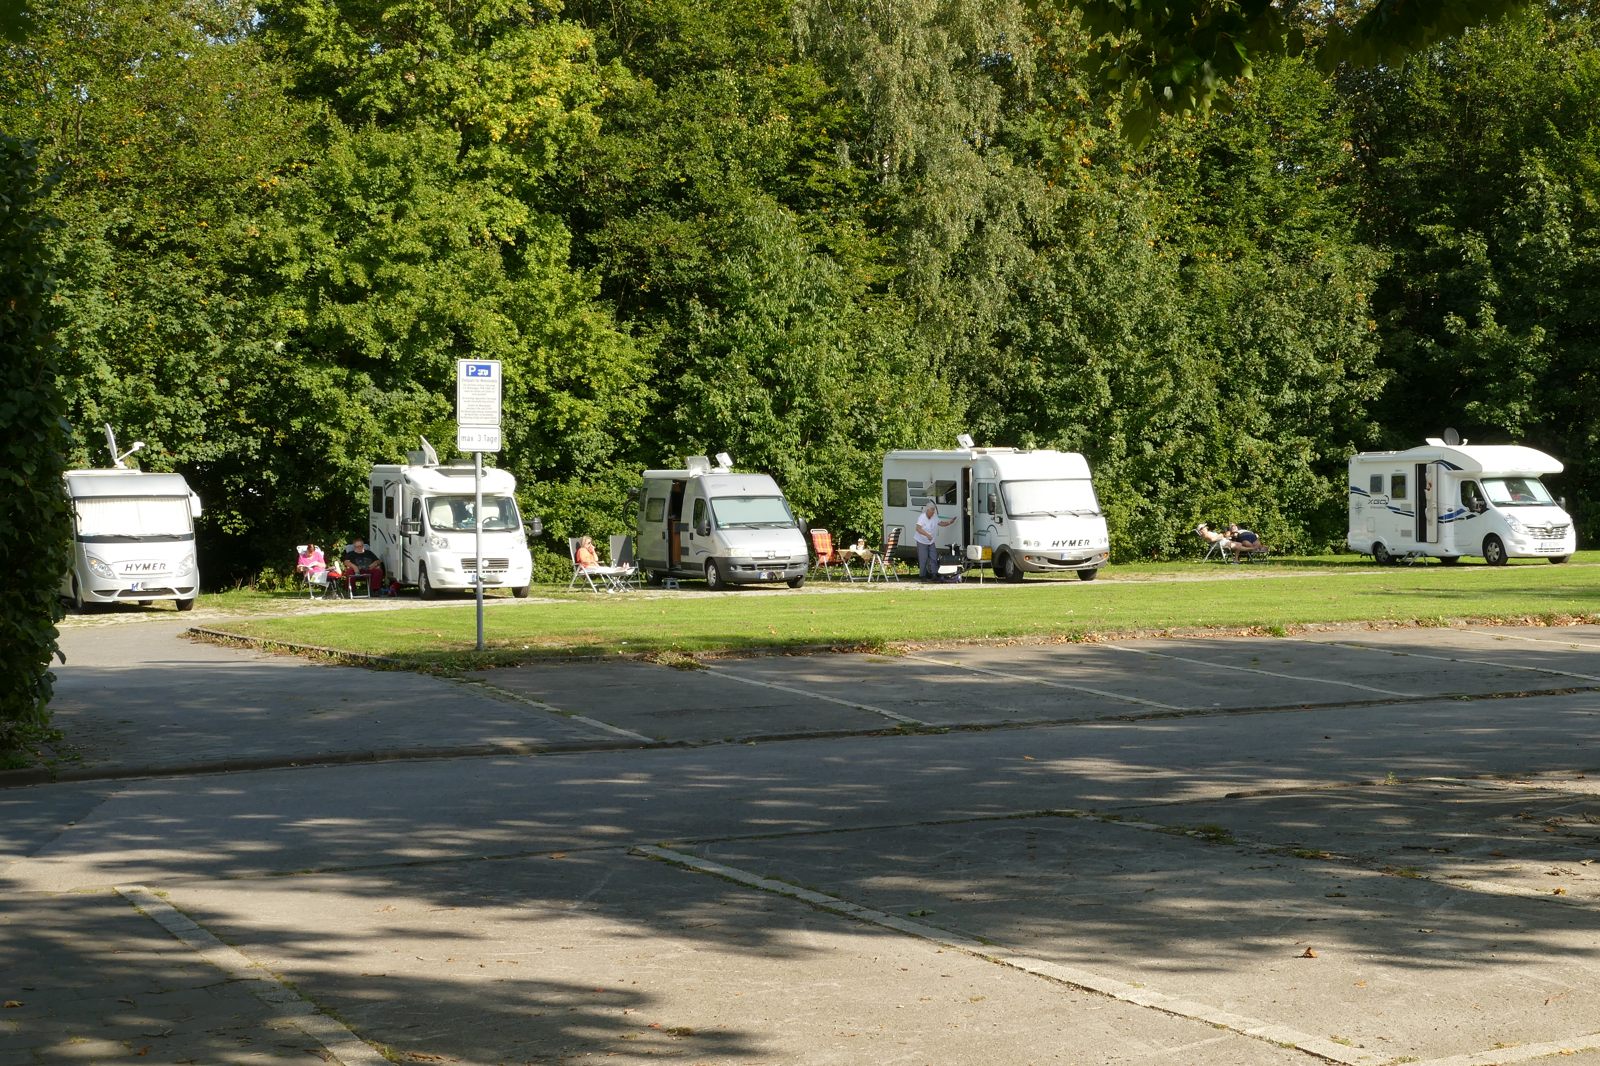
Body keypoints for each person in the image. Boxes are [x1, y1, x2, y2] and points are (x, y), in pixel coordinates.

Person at [914, 502, 957, 580]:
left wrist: (950, 522)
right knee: (923, 559)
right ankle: (922, 576)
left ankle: (934, 574)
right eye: (931, 510)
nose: (933, 512)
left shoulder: (934, 517)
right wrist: (927, 535)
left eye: (933, 511)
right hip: (921, 541)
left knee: (934, 557)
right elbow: (918, 528)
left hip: (931, 541)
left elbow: (941, 523)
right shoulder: (922, 517)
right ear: (927, 510)